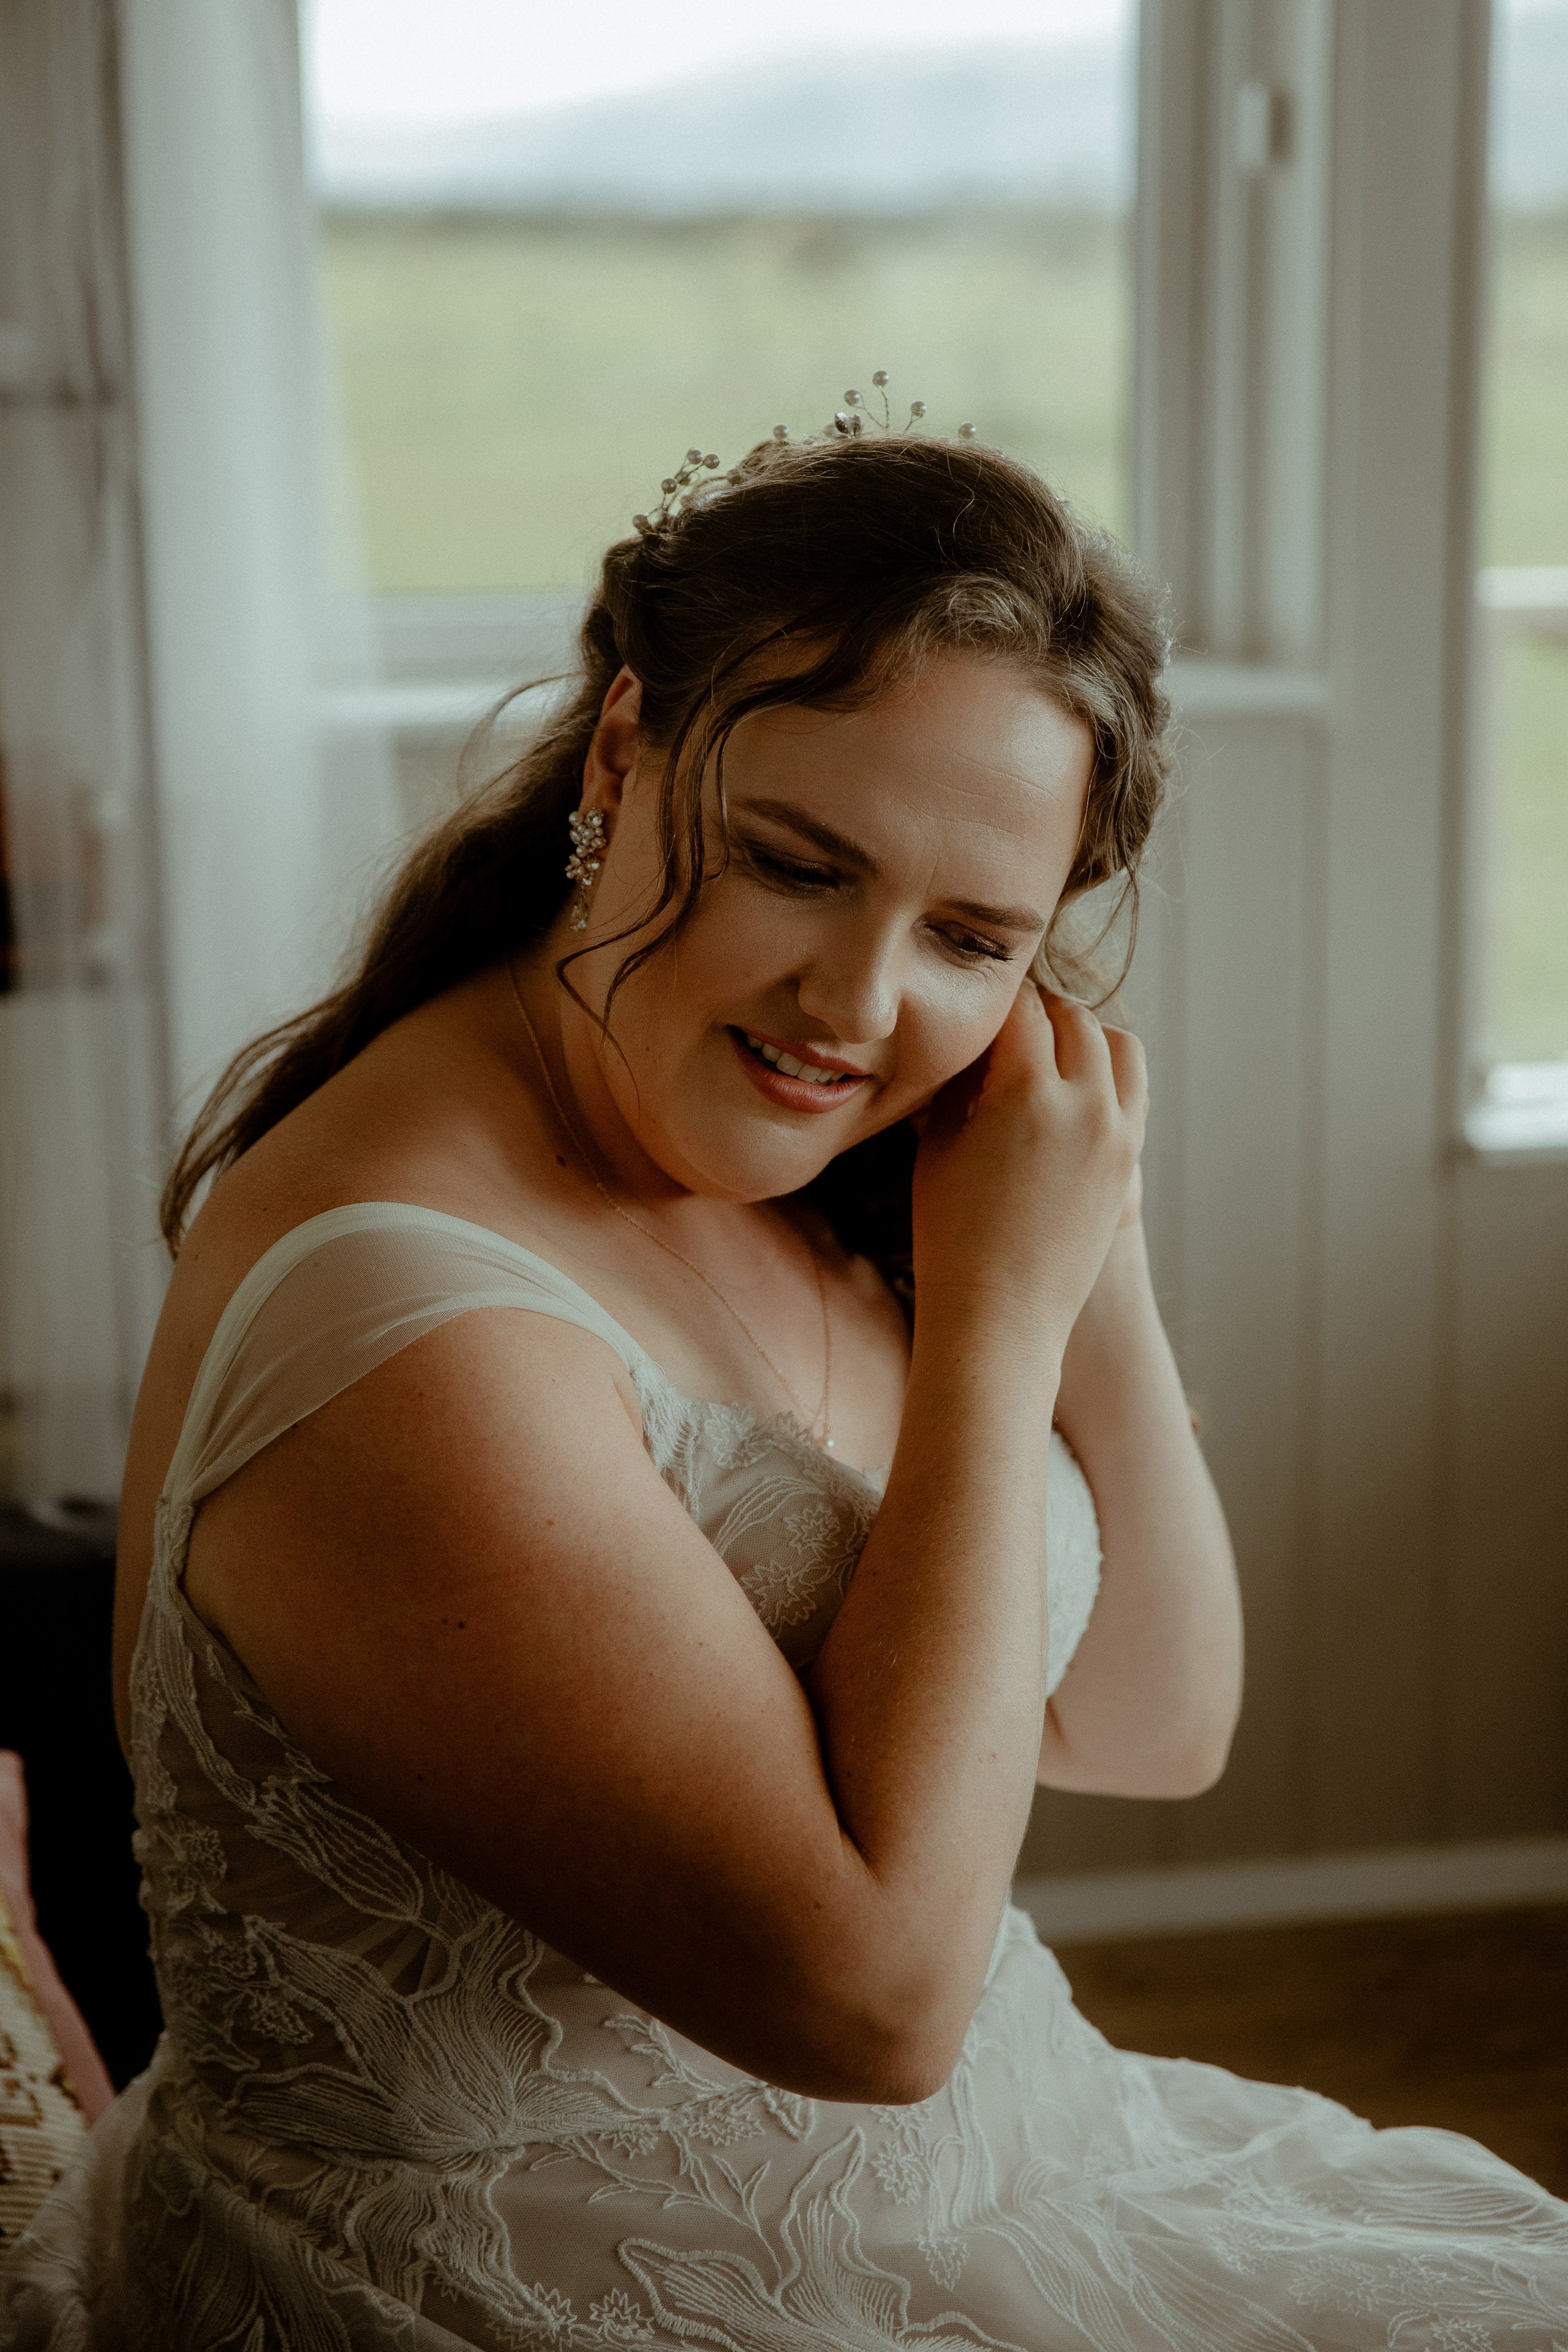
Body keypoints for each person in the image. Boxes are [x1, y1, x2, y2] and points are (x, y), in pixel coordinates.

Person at [4, 424, 1565, 2351]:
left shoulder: (813, 1161)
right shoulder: (405, 1330)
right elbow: (880, 2007)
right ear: (620, 753)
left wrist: (1096, 1267)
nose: (855, 1002)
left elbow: (1157, 1719)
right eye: (796, 866)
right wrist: (996, 1337)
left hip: (1015, 2176)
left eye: (972, 938)